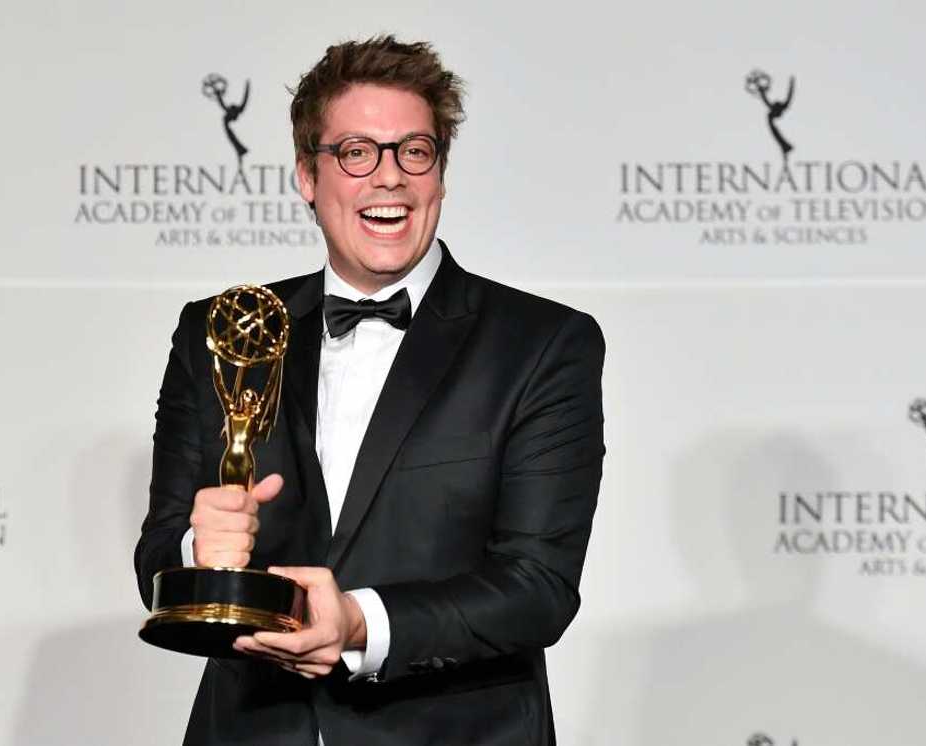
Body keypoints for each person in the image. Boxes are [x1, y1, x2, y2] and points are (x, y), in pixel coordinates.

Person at [134, 36, 605, 746]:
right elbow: (157, 560)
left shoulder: (541, 344)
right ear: (306, 175)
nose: (389, 177)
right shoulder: (223, 332)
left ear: (439, 174)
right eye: (356, 151)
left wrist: (358, 622)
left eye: (413, 150)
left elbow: (537, 587)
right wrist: (204, 550)